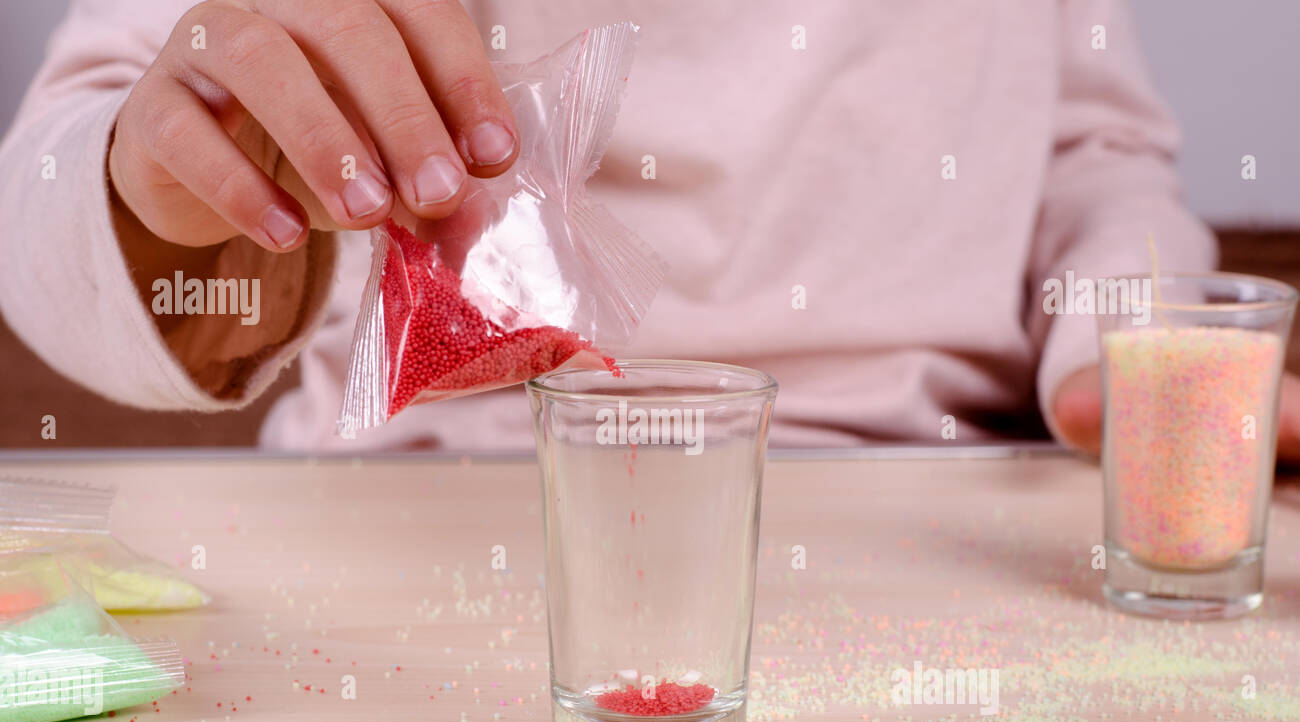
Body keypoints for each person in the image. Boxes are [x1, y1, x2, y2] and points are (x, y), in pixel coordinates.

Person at [2, 0, 1294, 456]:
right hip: (443, 496)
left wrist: (1124, 350)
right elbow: (62, 205)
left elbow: (1090, 153)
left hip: (942, 492)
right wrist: (161, 204)